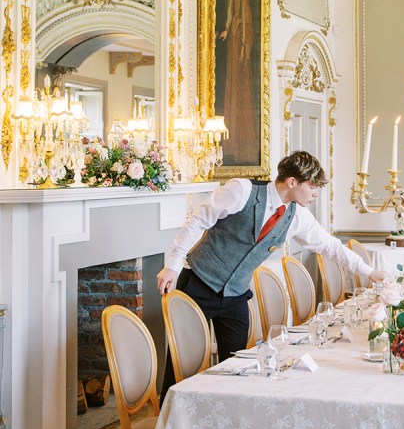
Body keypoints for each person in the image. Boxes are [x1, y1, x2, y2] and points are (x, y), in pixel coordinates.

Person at [157, 150, 390, 389]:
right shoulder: (241, 190)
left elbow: (330, 246)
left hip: (235, 296)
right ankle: (167, 422)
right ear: (292, 182)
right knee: (180, 364)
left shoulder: (297, 216)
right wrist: (172, 266)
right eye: (312, 186)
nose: (315, 193)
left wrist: (369, 272)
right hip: (198, 283)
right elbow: (197, 221)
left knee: (237, 367)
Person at [219, 0, 258, 165]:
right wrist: (226, 30)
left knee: (240, 88)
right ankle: (231, 145)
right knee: (231, 87)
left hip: (240, 44)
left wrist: (245, 46)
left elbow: (247, 20)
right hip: (233, 40)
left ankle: (243, 145)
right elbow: (230, 15)